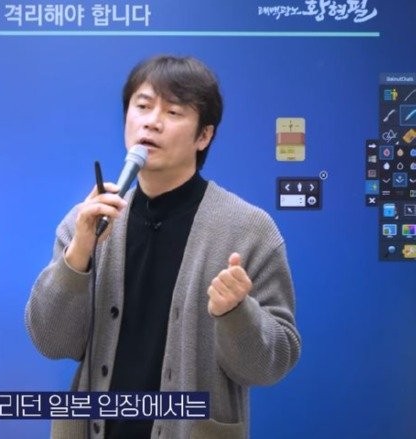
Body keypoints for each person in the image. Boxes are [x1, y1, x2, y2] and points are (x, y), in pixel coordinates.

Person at [25, 55, 301, 439]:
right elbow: (51, 341)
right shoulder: (84, 222)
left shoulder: (249, 230)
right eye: (142, 106)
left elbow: (271, 365)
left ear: (203, 136)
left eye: (173, 112)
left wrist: (238, 313)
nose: (152, 122)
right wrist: (78, 258)